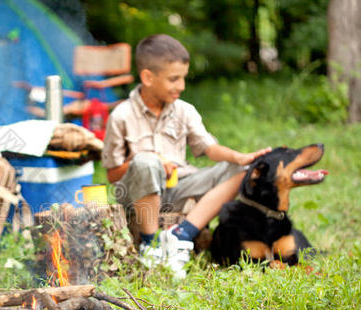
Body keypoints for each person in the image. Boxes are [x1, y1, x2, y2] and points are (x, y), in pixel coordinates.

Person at [102, 34, 270, 278]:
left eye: (183, 78)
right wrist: (151, 159)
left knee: (242, 171)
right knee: (146, 162)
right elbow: (112, 173)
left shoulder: (184, 110)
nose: (181, 86)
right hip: (137, 196)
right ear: (148, 77)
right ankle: (151, 244)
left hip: (179, 187)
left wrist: (241, 157)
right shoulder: (121, 115)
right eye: (174, 79)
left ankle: (182, 235)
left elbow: (209, 148)